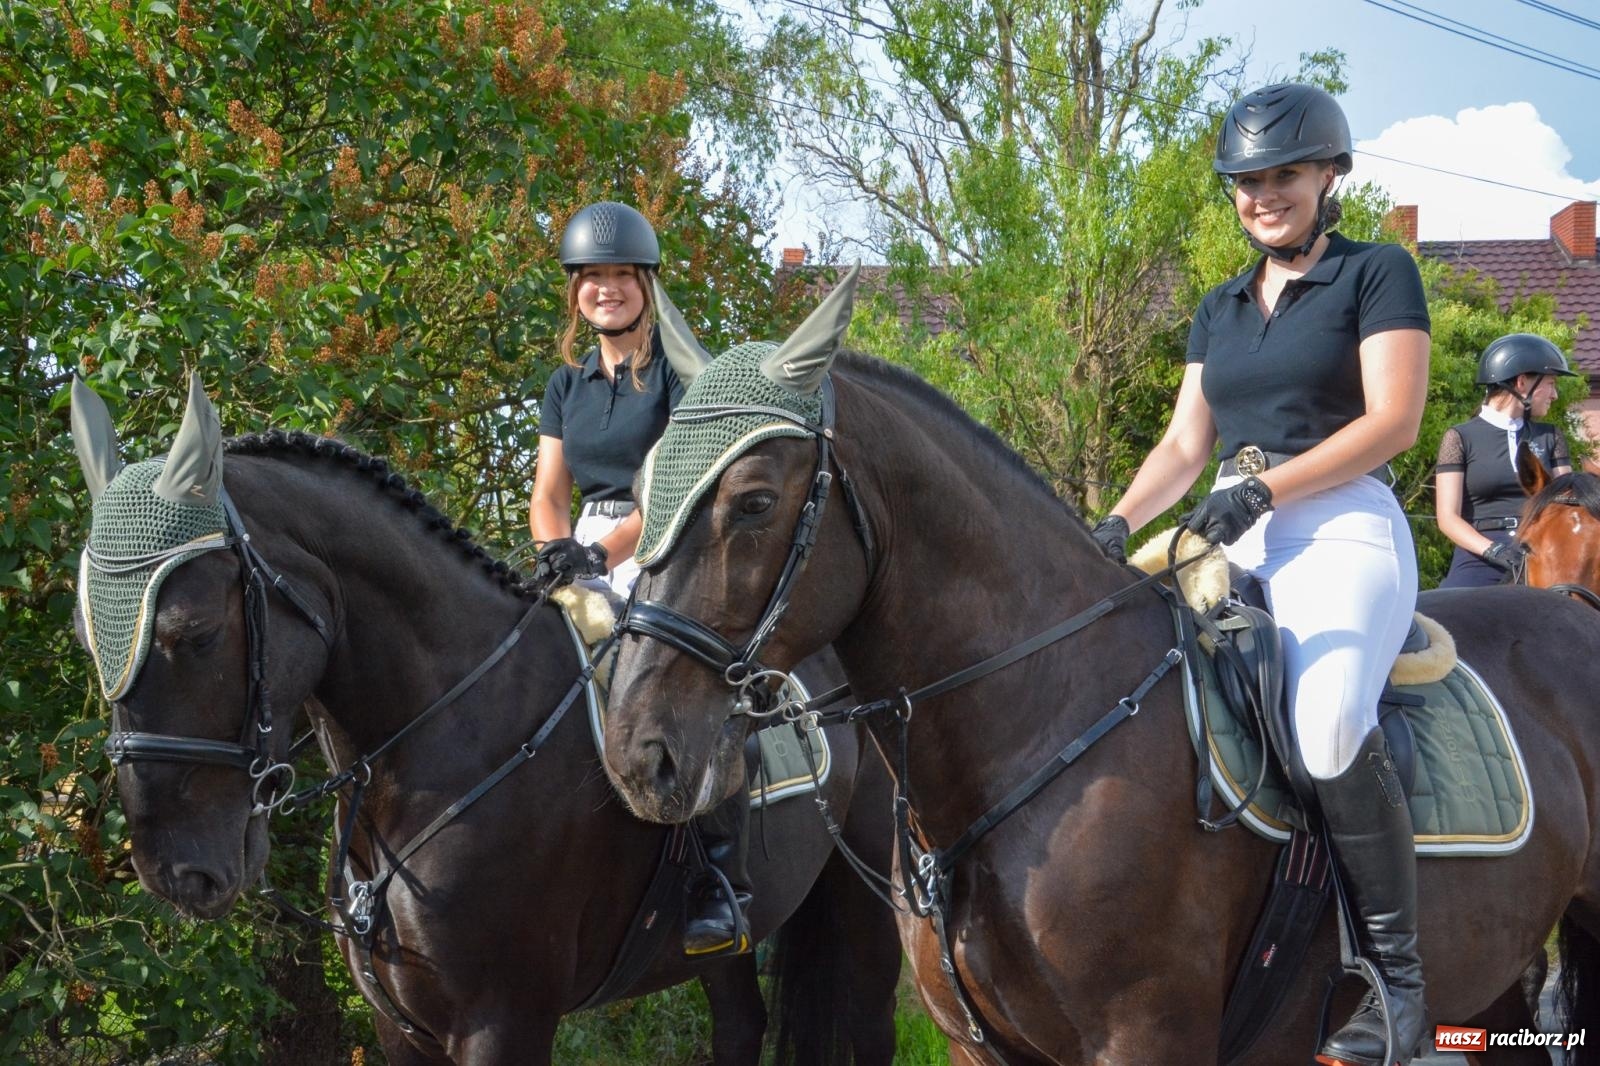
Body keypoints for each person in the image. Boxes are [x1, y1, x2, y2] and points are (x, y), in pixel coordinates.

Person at [1087, 84, 1431, 1066]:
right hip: (1226, 532)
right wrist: (1114, 521)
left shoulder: (1376, 273)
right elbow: (1183, 445)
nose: (1263, 194)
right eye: (1246, 181)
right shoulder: (1218, 305)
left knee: (1325, 724)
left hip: (1339, 526)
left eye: (1283, 174)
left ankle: (1399, 993)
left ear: (1328, 175)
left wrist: (1268, 488)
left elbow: (1392, 422)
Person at [528, 201, 752, 957]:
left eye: (621, 275)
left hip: (665, 541)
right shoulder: (567, 384)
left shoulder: (676, 373)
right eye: (593, 277)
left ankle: (718, 875)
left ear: (645, 285)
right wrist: (558, 551)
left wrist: (605, 557)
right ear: (576, 291)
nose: (607, 288)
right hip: (580, 545)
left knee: (679, 677)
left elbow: (674, 488)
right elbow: (549, 493)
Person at [1434, 333, 1575, 588]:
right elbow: (1447, 517)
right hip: (1480, 554)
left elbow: (1568, 505)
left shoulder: (1551, 436)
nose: (1554, 395)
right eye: (1551, 383)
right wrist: (1495, 551)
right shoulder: (1459, 437)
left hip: (1542, 548)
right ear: (1522, 383)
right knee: (1448, 614)